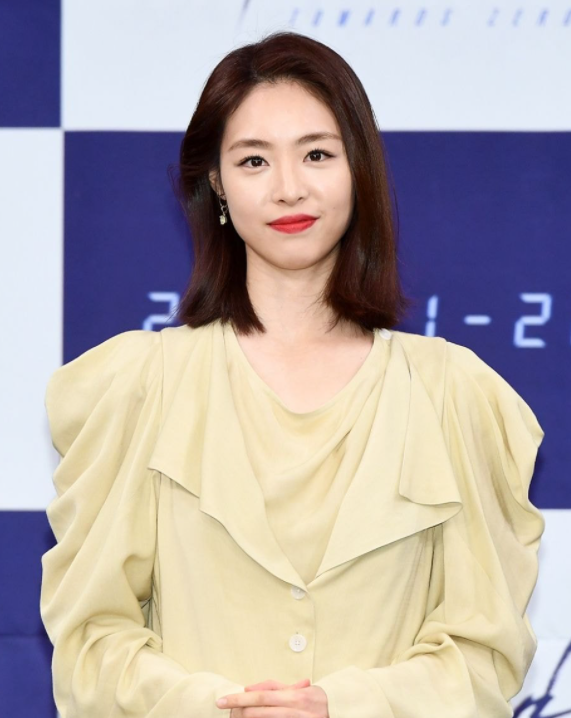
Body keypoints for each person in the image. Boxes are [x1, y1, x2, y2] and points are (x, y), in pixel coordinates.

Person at [40, 30, 545, 718]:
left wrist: (346, 706)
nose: (288, 188)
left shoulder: (454, 396)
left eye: (316, 154)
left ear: (358, 169)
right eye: (254, 160)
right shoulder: (139, 387)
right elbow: (92, 645)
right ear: (216, 183)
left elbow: (482, 654)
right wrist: (221, 708)